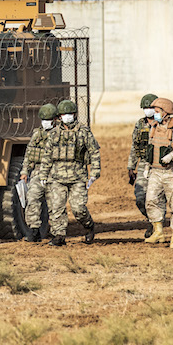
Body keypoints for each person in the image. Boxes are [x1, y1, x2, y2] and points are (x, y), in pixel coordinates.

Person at [39, 99, 101, 246]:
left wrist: (94, 173)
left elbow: (94, 152)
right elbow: (47, 155)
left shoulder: (83, 132)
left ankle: (88, 226)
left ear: (74, 114)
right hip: (57, 177)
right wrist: (43, 174)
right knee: (56, 208)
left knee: (78, 208)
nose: (67, 116)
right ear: (59, 117)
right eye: (64, 114)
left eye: (70, 114)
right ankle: (58, 236)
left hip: (78, 176)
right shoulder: (54, 134)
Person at [143, 97, 173, 248]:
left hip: (172, 172)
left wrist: (171, 155)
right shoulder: (154, 126)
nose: (154, 114)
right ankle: (158, 231)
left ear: (165, 112)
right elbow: (151, 148)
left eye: (157, 111)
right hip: (155, 172)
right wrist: (147, 167)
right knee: (150, 201)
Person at [20, 103, 58, 242]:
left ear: (55, 120)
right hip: (37, 172)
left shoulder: (60, 134)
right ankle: (34, 230)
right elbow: (29, 154)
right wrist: (25, 171)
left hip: (55, 173)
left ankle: (57, 233)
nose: (45, 122)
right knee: (32, 199)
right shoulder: (37, 134)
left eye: (48, 119)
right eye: (43, 119)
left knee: (55, 204)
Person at [128, 93, 158, 237]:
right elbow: (135, 146)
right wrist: (131, 167)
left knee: (157, 197)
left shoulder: (164, 123)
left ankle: (157, 227)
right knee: (140, 198)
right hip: (143, 164)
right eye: (145, 107)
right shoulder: (140, 124)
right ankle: (153, 221)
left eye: (151, 107)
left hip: (159, 165)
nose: (148, 110)